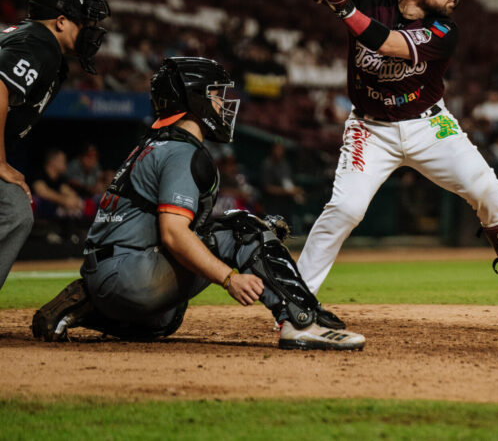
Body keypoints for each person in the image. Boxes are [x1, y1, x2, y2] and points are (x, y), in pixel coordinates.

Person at [289, 0, 498, 318]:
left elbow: (387, 43)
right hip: (370, 129)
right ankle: (295, 300)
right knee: (345, 208)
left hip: (429, 125)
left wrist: (343, 7)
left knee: (485, 188)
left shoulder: (444, 29)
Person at [31, 57, 363, 350]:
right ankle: (301, 323)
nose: (222, 104)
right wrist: (230, 277)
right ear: (195, 100)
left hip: (107, 273)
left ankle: (82, 308)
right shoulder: (181, 151)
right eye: (216, 95)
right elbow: (175, 235)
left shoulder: (153, 143)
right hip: (131, 274)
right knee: (246, 229)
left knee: (165, 321)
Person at [0, 0, 109, 292]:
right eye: (84, 23)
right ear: (60, 22)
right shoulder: (40, 42)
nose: (91, 31)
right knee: (14, 212)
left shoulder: (30, 38)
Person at [260, 140, 305, 229]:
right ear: (272, 150)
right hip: (272, 205)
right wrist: (287, 191)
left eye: (281, 149)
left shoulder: (285, 165)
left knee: (289, 231)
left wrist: (296, 190)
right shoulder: (267, 165)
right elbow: (268, 188)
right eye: (277, 149)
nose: (279, 152)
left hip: (286, 205)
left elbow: (288, 183)